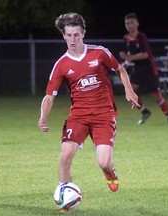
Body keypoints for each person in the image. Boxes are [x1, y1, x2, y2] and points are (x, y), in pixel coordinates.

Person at [38, 12, 139, 206]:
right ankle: (64, 199)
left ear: (83, 33)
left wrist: (129, 91)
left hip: (104, 114)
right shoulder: (61, 64)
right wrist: (43, 116)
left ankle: (109, 171)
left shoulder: (99, 53)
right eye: (68, 35)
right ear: (64, 36)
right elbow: (50, 95)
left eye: (76, 34)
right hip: (78, 116)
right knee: (65, 155)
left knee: (103, 161)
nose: (72, 39)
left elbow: (119, 69)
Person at [119, 13, 168, 124]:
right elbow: (129, 55)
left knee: (157, 96)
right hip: (138, 70)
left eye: (132, 22)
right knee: (130, 92)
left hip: (149, 70)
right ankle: (145, 111)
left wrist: (129, 57)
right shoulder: (126, 39)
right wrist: (125, 62)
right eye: (127, 23)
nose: (129, 25)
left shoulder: (141, 36)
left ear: (137, 24)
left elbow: (145, 55)